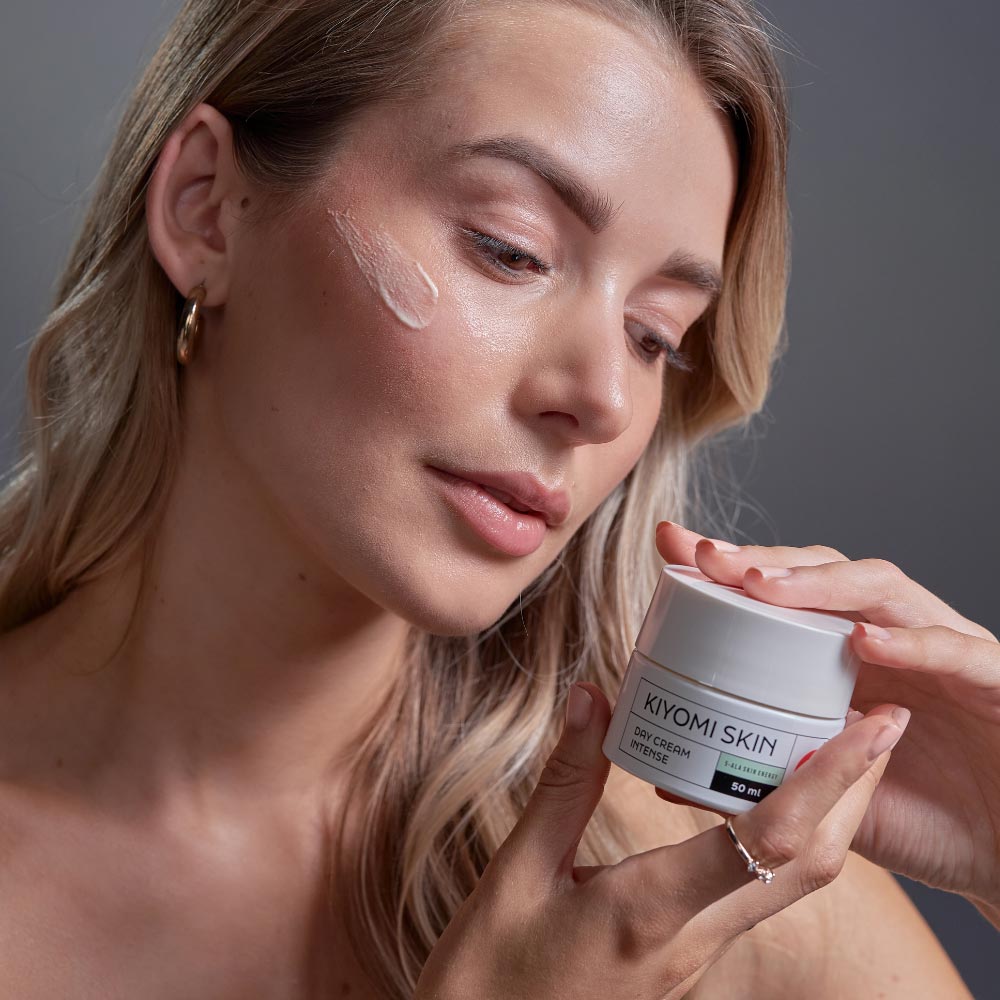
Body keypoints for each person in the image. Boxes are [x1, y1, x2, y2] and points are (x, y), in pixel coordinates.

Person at [0, 0, 993, 996]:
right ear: (207, 208)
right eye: (510, 248)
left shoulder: (699, 886)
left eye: (655, 334)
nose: (604, 398)